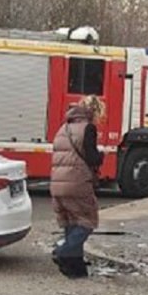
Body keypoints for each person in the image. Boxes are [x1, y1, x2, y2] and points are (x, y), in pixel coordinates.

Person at [50, 95, 105, 278]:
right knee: (86, 223)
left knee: (72, 225)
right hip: (77, 183)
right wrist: (101, 156)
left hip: (57, 183)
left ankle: (75, 270)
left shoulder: (63, 127)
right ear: (94, 111)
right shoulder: (88, 128)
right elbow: (91, 157)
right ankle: (62, 251)